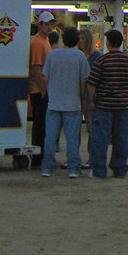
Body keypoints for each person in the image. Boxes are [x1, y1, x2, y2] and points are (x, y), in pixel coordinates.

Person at [86, 29, 128, 178]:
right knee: (121, 138)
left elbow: (92, 84)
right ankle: (119, 168)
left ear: (108, 43)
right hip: (122, 106)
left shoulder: (101, 60)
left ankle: (99, 170)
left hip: (103, 105)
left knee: (100, 139)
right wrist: (127, 98)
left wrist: (92, 101)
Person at [41, 26, 89, 178]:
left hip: (54, 102)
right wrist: (82, 99)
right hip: (73, 103)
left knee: (50, 138)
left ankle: (47, 167)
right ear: (76, 40)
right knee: (72, 138)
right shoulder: (80, 57)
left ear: (63, 39)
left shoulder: (52, 55)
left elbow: (45, 77)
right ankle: (73, 168)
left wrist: (50, 92)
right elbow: (83, 81)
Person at [28, 10, 57, 168]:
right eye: (46, 24)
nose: (49, 27)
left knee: (43, 124)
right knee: (40, 125)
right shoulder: (38, 43)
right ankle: (38, 158)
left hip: (43, 88)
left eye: (51, 24)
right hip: (39, 90)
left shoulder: (44, 41)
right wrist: (43, 90)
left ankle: (41, 156)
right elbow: (36, 68)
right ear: (40, 25)